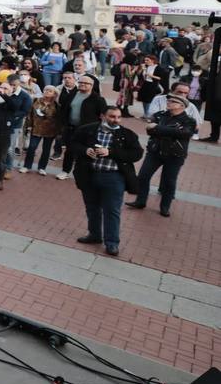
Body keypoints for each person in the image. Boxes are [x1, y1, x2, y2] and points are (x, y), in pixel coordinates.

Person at [70, 105, 143, 257]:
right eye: (112, 117)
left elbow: (136, 154)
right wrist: (85, 150)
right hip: (90, 174)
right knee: (92, 207)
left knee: (112, 211)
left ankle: (112, 243)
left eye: (118, 117)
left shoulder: (127, 135)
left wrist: (111, 152)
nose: (115, 120)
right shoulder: (88, 130)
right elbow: (73, 144)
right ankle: (94, 235)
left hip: (113, 177)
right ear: (102, 116)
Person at [129, 94, 196, 216]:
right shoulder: (160, 115)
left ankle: (165, 207)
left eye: (173, 101)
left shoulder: (189, 120)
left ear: (181, 106)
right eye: (169, 100)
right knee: (143, 176)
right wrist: (168, 130)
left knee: (169, 182)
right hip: (155, 151)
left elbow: (185, 134)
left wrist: (158, 128)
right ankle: (140, 201)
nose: (169, 102)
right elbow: (150, 130)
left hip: (175, 155)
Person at [57, 76, 107, 180]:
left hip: (87, 131)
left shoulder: (98, 99)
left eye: (86, 83)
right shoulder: (73, 94)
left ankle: (84, 174)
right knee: (69, 151)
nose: (82, 84)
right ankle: (65, 171)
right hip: (71, 128)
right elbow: (64, 109)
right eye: (80, 82)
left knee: (86, 152)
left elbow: (103, 115)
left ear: (92, 85)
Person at [21, 86, 63, 175]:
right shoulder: (36, 101)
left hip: (50, 130)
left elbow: (59, 119)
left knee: (46, 150)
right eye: (46, 90)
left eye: (50, 91)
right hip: (36, 128)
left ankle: (42, 167)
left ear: (54, 94)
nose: (47, 92)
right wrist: (28, 126)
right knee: (31, 147)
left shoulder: (57, 105)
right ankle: (27, 166)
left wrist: (59, 131)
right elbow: (29, 114)